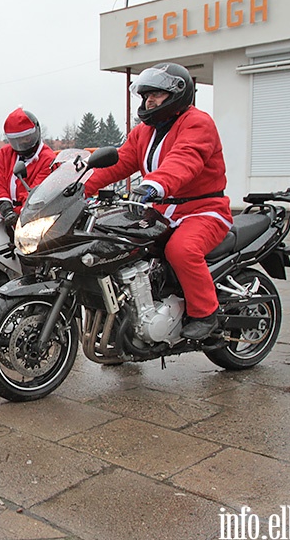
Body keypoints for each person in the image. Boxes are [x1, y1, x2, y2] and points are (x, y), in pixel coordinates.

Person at [83, 62, 233, 341]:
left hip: (203, 210)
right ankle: (129, 322)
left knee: (181, 249)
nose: (149, 100)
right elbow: (118, 163)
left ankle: (205, 313)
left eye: (156, 94)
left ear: (178, 94)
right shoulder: (144, 131)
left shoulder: (198, 123)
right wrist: (80, 187)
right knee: (119, 246)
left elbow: (185, 159)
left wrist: (154, 184)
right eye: (145, 95)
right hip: (161, 211)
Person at [0, 107, 58, 227]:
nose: (22, 144)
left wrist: (21, 215)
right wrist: (6, 209)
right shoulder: (4, 154)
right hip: (0, 213)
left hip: (31, 218)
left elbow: (37, 194)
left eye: (27, 138)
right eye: (16, 141)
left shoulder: (48, 159)